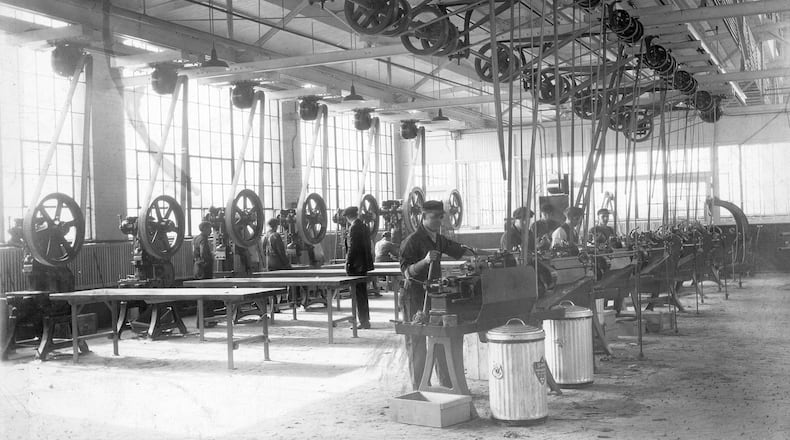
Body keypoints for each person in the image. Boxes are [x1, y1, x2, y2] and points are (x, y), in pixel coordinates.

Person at [399, 200, 474, 390]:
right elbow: (407, 272)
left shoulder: (438, 239)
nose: (438, 221)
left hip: (435, 296)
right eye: (434, 217)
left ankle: (447, 384)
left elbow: (457, 250)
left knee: (441, 337)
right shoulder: (411, 241)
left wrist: (477, 254)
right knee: (417, 342)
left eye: (441, 217)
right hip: (414, 296)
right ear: (423, 217)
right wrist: (424, 261)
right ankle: (420, 387)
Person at [343, 206, 374, 330]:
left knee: (357, 295)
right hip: (363, 265)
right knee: (363, 294)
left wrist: (347, 263)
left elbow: (352, 248)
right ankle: (365, 320)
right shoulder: (364, 226)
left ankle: (362, 321)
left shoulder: (354, 227)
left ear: (347, 217)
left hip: (356, 266)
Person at [193, 221, 220, 323]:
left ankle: (200, 321)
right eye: (209, 228)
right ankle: (208, 320)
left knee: (200, 296)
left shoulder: (195, 238)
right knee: (207, 295)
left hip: (197, 268)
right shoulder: (203, 239)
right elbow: (203, 253)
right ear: (204, 228)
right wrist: (210, 258)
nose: (210, 230)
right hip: (204, 270)